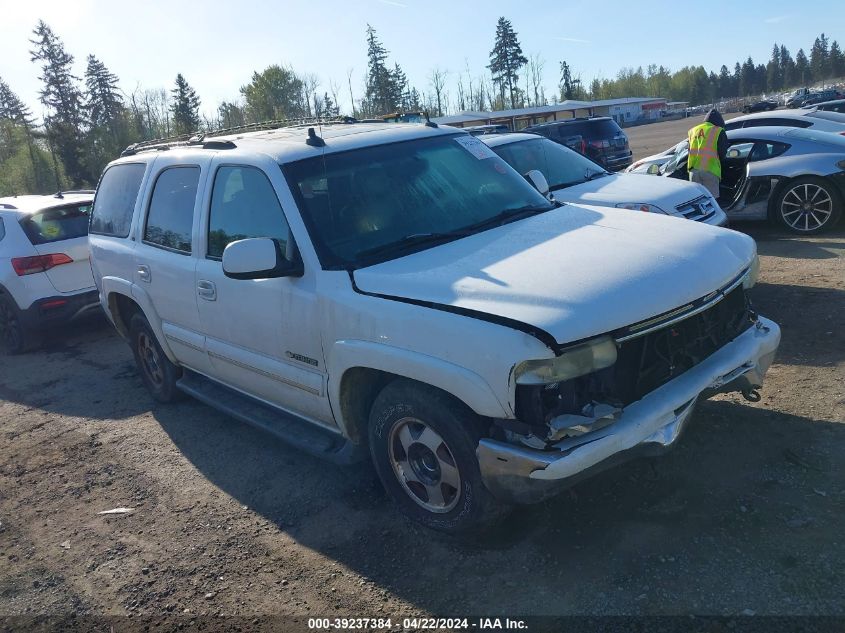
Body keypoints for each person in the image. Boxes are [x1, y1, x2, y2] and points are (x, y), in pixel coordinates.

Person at [687, 109, 728, 198]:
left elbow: (689, 150)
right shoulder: (718, 131)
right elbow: (722, 153)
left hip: (693, 171)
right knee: (712, 201)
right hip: (710, 171)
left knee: (697, 200)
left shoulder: (693, 131)